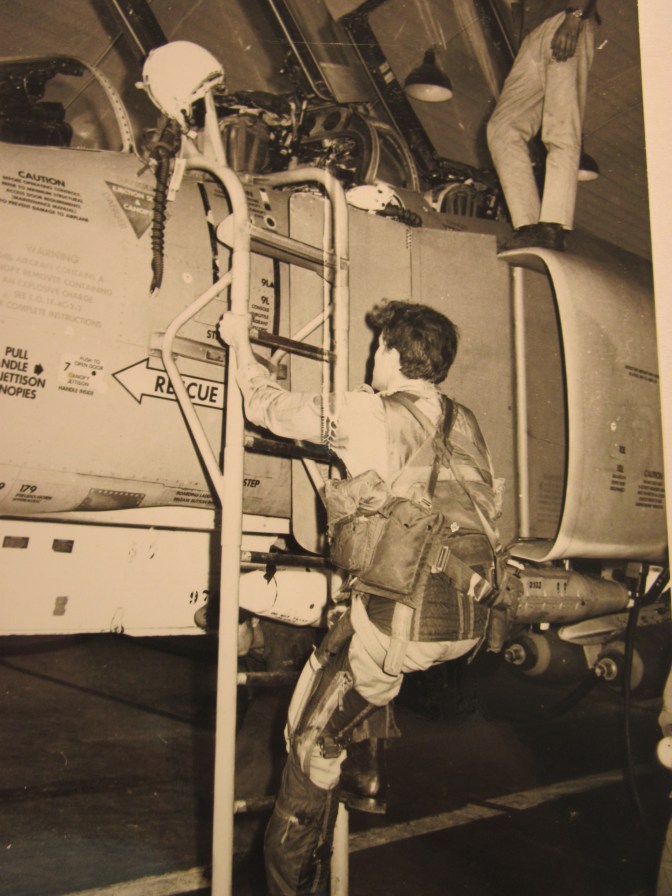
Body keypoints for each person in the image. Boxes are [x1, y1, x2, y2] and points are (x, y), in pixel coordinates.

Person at [218, 300, 501, 895]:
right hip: (468, 617)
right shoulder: (465, 419)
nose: (373, 356)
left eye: (379, 348)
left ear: (393, 354)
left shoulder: (366, 410)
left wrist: (239, 343)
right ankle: (362, 762)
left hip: (402, 622)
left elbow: (266, 407)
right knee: (357, 676)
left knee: (307, 739)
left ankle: (289, 881)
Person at [486, 1, 599, 252]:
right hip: (533, 34)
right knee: (501, 128)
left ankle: (553, 225)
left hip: (566, 17)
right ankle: (528, 226)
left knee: (561, 126)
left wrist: (575, 17)